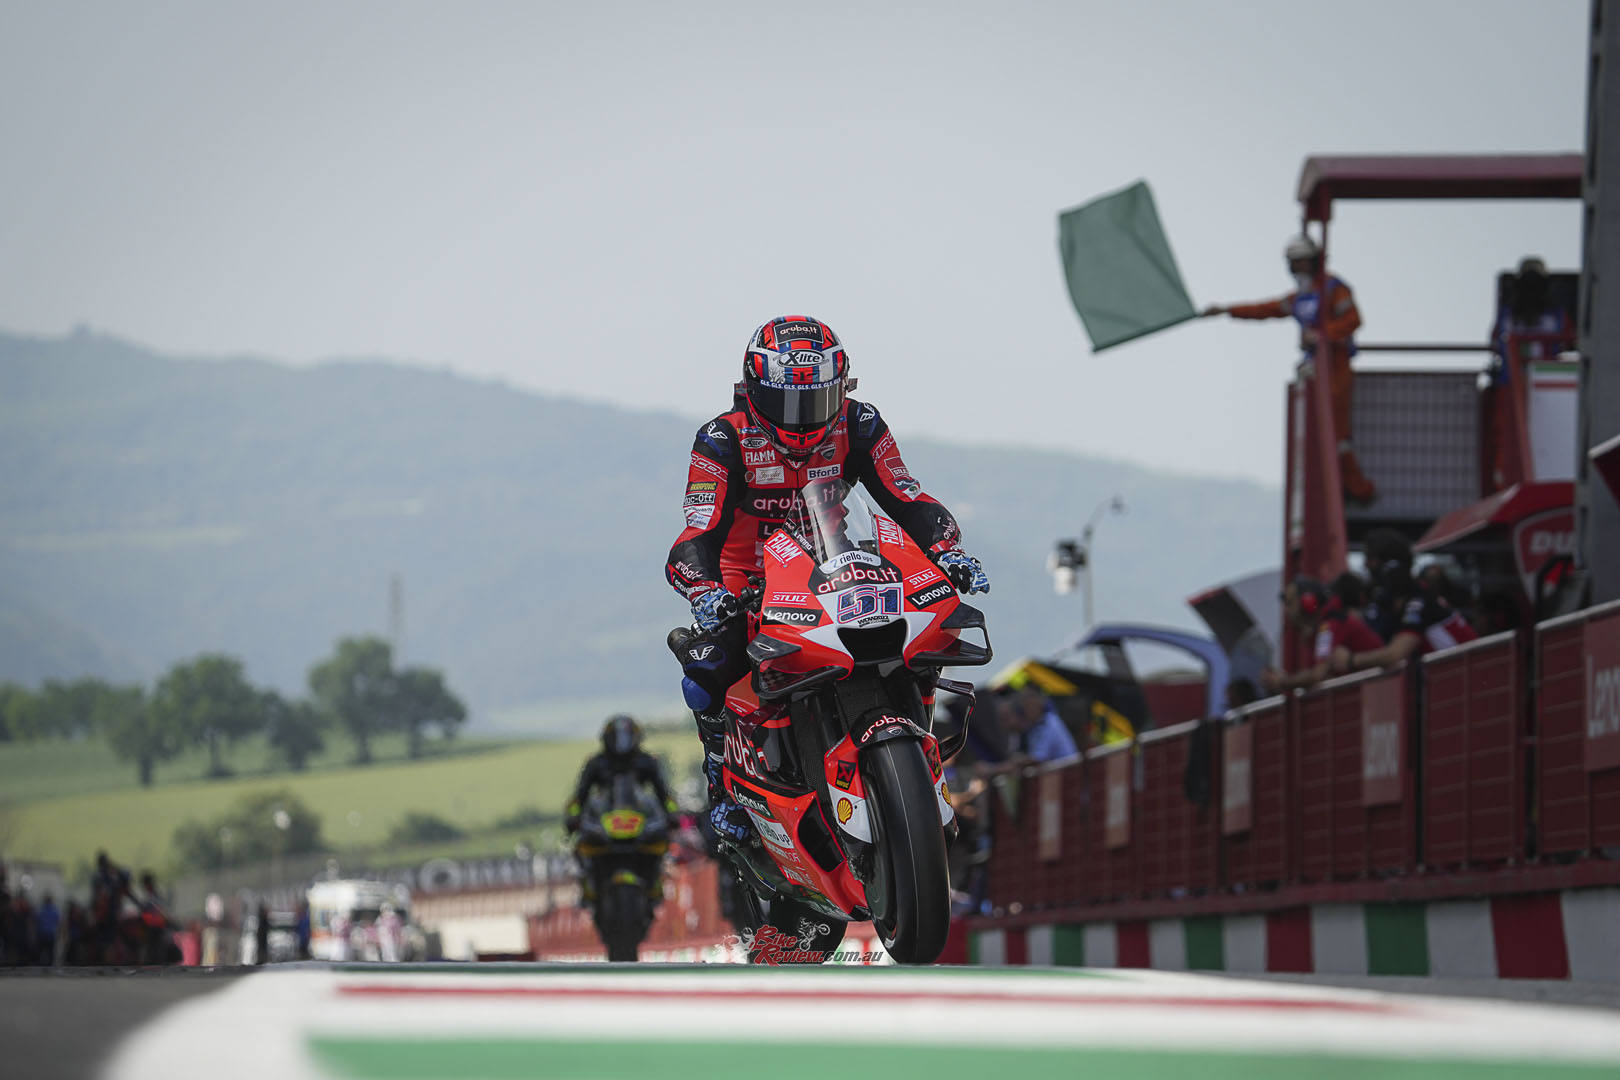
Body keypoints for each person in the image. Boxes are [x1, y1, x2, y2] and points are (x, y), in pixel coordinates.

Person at [665, 316, 991, 842]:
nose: (803, 418)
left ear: (842, 387)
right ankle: (723, 788)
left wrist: (948, 553)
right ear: (755, 391)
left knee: (924, 634)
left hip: (837, 567)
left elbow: (906, 498)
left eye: (816, 401)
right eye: (787, 402)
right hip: (748, 584)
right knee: (706, 676)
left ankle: (917, 745)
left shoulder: (860, 423)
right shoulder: (722, 438)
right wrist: (705, 589)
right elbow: (699, 529)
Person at [1203, 235, 1376, 503]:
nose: (1296, 269)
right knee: (1320, 433)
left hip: (1336, 366)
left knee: (1337, 434)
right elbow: (1264, 309)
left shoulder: (1334, 289)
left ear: (1313, 261)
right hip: (1314, 369)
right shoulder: (1300, 297)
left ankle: (1358, 489)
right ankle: (1340, 488)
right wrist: (1227, 310)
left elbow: (1353, 320)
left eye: (1300, 262)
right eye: (1293, 263)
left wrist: (1323, 335)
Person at [564, 715, 679, 901]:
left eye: (626, 737)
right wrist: (573, 817)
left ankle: (656, 881)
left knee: (663, 842)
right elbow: (579, 798)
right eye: (617, 738)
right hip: (604, 822)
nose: (621, 744)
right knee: (580, 847)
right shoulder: (595, 763)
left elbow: (664, 795)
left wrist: (673, 813)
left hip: (639, 821)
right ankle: (588, 885)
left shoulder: (647, 761)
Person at [1261, 576, 1384, 693]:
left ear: (1308, 602)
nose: (1287, 611)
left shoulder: (1329, 625)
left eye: (1290, 603)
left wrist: (1283, 681)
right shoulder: (1324, 626)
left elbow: (1318, 674)